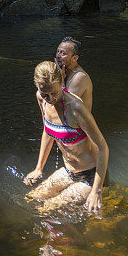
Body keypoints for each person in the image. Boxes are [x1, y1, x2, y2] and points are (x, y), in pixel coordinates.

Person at [23, 61, 108, 213]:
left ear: (61, 81)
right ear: (37, 87)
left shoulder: (76, 108)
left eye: (54, 93)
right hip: (69, 172)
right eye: (45, 94)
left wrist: (97, 191)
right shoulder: (41, 99)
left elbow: (103, 147)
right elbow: (48, 132)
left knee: (44, 209)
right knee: (30, 200)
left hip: (90, 176)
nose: (50, 99)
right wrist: (38, 168)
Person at [55, 37, 93, 110]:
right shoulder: (63, 71)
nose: (58, 56)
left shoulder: (79, 77)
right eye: (58, 51)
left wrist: (61, 79)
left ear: (75, 58)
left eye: (63, 53)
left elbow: (65, 106)